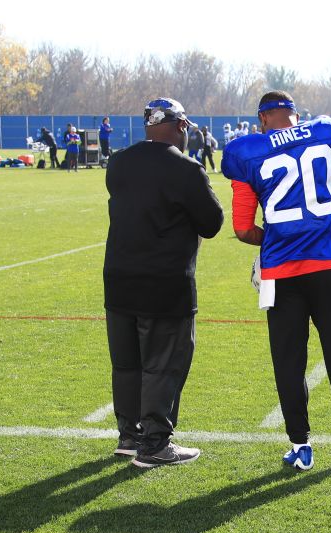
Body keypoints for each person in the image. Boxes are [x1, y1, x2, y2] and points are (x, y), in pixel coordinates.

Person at [221, 90, 331, 469]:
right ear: (295, 115)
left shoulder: (248, 153)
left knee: (289, 363)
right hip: (327, 267)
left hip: (280, 275)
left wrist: (276, 237)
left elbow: (244, 229)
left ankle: (300, 448)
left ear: (262, 119)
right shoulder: (326, 137)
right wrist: (326, 224)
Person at [103, 98, 225, 467]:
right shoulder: (185, 169)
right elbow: (212, 222)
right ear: (181, 126)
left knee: (127, 364)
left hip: (119, 278)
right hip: (165, 282)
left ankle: (129, 435)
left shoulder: (119, 162)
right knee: (164, 364)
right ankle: (155, 444)